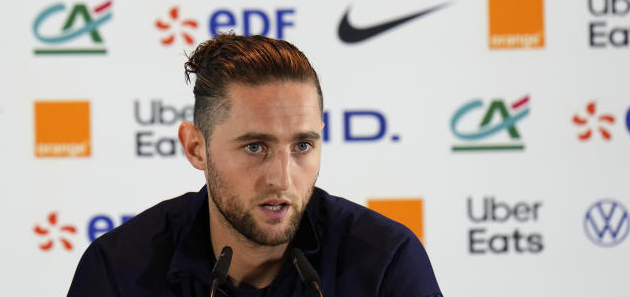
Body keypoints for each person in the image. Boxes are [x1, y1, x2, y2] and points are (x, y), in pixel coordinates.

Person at [67, 34, 442, 296]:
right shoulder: (118, 269)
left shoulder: (385, 261)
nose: (282, 178)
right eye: (255, 147)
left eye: (303, 145)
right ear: (197, 148)